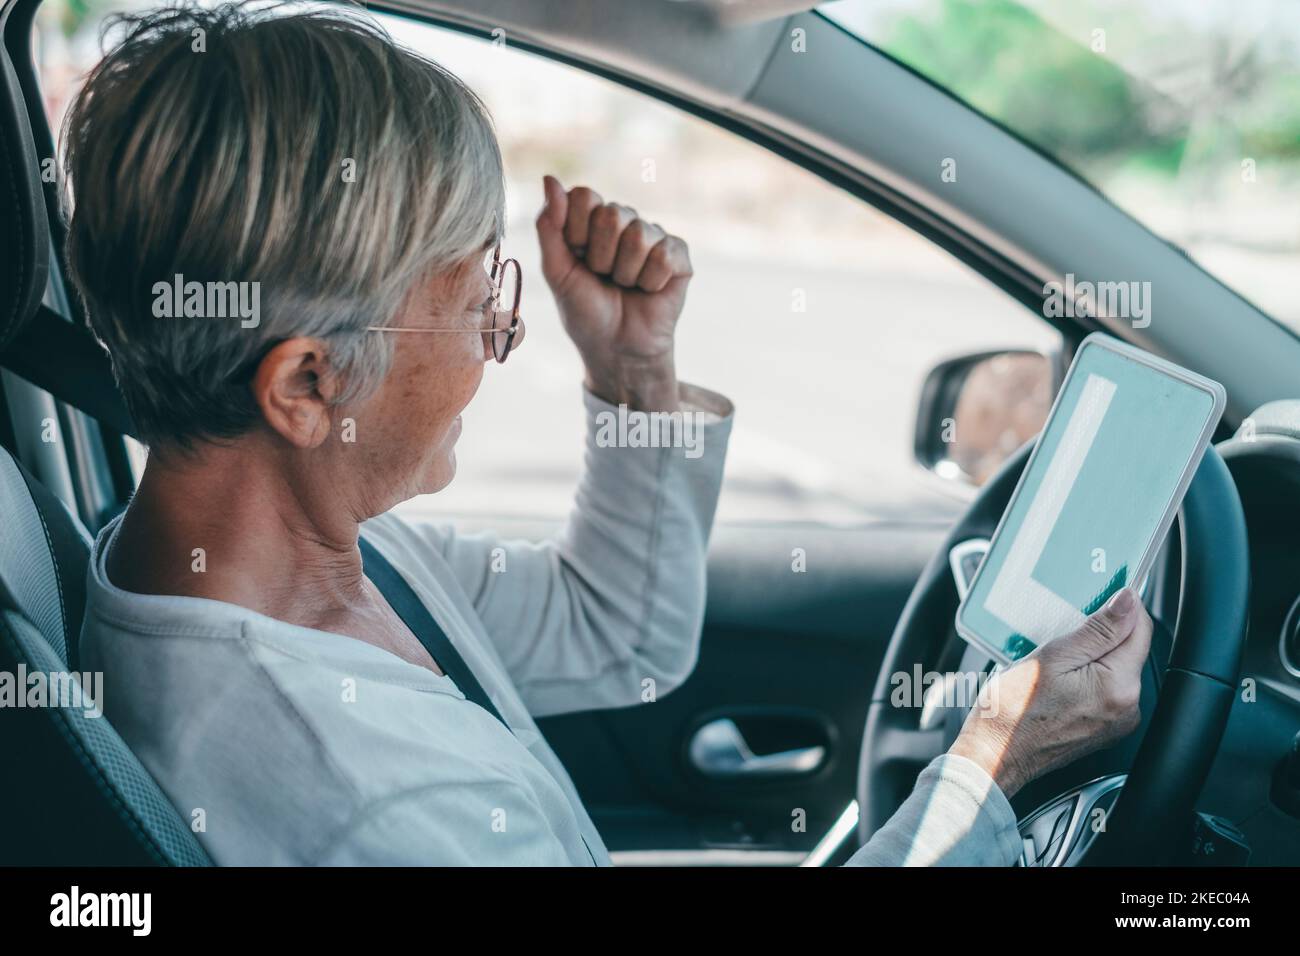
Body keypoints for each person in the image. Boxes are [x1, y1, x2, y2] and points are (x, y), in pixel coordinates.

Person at [67, 2, 1150, 865]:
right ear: (306, 385)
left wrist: (633, 371)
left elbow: (615, 634)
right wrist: (990, 770)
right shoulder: (362, 805)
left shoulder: (314, 558)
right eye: (476, 295)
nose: (504, 329)